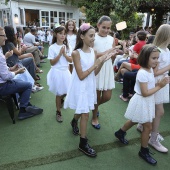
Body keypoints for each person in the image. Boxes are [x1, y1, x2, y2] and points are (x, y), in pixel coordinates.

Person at [64, 23, 117, 157]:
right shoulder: (76, 53)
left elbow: (95, 73)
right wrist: (97, 63)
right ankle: (83, 143)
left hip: (90, 85)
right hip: (80, 85)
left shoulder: (93, 52)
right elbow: (81, 76)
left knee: (82, 110)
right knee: (85, 113)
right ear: (82, 36)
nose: (94, 38)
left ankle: (74, 120)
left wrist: (102, 62)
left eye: (94, 35)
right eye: (91, 36)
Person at [114, 44, 169, 165]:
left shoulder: (149, 70)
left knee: (134, 119)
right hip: (142, 100)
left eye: (157, 58)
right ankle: (143, 151)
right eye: (154, 58)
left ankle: (120, 132)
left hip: (146, 101)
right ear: (145, 58)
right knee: (147, 127)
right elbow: (145, 93)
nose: (157, 61)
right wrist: (160, 86)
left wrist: (159, 82)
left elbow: (150, 86)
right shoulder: (143, 72)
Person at [137, 24, 170, 153]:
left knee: (154, 109)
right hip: (157, 82)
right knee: (159, 111)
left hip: (162, 82)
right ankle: (153, 138)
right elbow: (154, 72)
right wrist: (168, 68)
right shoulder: (159, 51)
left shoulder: (166, 50)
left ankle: (143, 125)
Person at [0, 26, 43, 120]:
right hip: (3, 85)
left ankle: (27, 105)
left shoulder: (1, 50)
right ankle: (23, 111)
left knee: (22, 82)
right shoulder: (2, 53)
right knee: (27, 85)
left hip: (4, 80)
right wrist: (17, 71)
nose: (6, 38)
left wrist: (12, 68)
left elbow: (3, 69)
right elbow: (6, 76)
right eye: (3, 35)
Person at [92, 15, 116, 129]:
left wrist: (114, 53)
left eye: (108, 28)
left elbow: (112, 52)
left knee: (107, 96)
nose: (106, 30)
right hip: (97, 67)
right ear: (98, 25)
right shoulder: (93, 37)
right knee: (96, 96)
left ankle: (94, 108)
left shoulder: (111, 39)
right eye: (104, 27)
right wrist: (105, 53)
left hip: (108, 68)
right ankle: (94, 116)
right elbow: (90, 54)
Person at [47, 26, 72, 122]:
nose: (63, 35)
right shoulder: (52, 47)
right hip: (56, 72)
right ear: (55, 34)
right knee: (58, 93)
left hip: (65, 72)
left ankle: (61, 99)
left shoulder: (67, 46)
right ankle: (58, 112)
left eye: (64, 34)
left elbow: (71, 60)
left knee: (67, 91)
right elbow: (52, 62)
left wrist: (65, 54)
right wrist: (60, 54)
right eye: (60, 33)